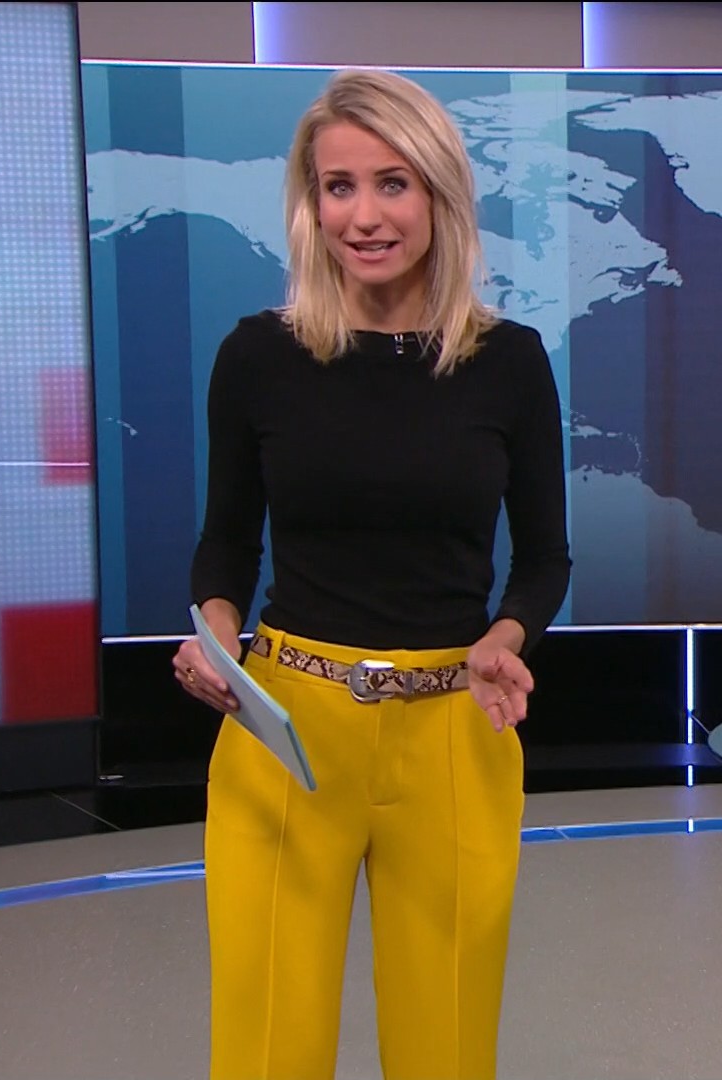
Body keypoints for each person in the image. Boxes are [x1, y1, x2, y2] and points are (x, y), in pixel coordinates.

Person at [170, 68, 571, 1080]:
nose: (363, 215)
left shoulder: (511, 363)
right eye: (337, 186)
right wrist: (215, 628)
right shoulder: (256, 357)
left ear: (439, 194)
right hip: (286, 736)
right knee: (266, 1047)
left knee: (447, 1049)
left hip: (455, 736)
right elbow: (227, 543)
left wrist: (507, 636)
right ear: (309, 203)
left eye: (392, 184)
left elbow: (543, 557)